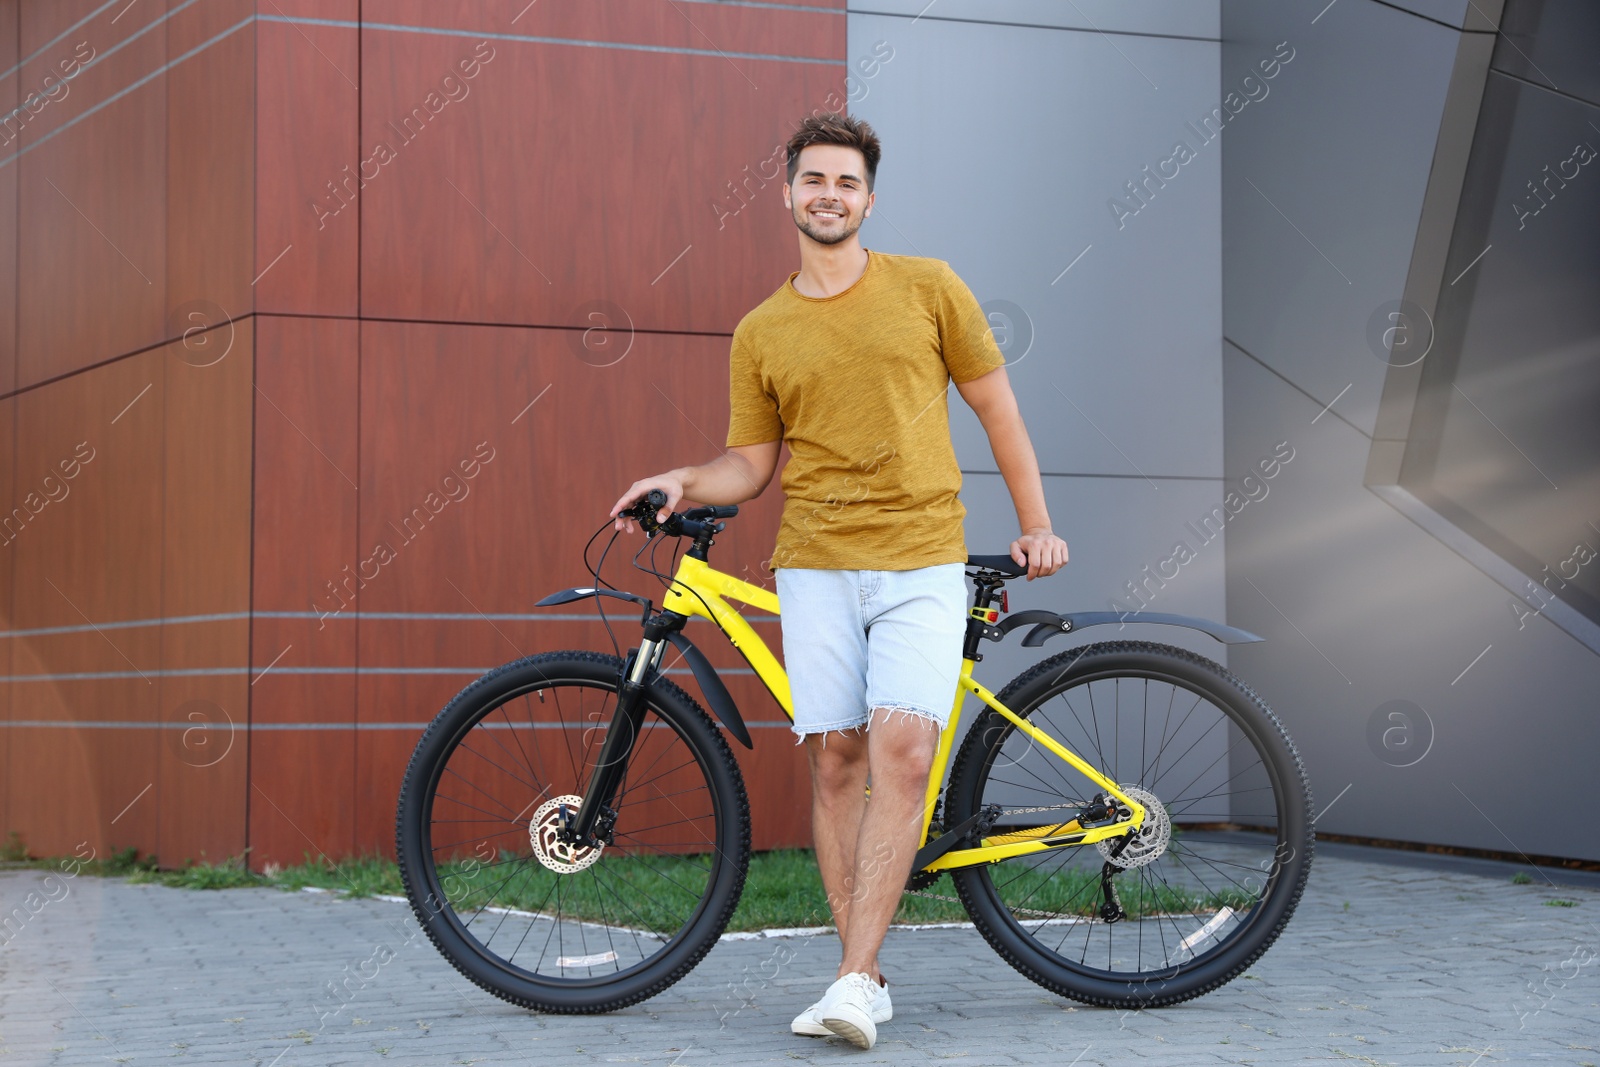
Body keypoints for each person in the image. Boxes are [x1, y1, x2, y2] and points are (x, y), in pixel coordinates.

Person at [610, 113, 1067, 1050]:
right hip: (816, 563)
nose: (829, 194)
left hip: (922, 558)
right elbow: (750, 463)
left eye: (846, 182)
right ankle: (865, 971)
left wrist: (1037, 524)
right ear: (786, 193)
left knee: (901, 755)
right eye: (813, 180)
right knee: (835, 761)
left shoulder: (929, 288)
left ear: (868, 197)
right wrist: (681, 480)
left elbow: (996, 406)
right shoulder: (762, 329)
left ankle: (853, 981)